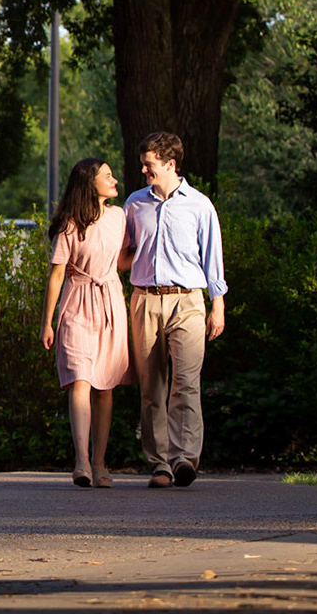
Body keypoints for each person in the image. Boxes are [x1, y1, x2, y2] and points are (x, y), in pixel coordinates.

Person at [122, 130, 227, 489]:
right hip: (145, 299)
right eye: (142, 164)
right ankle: (160, 464)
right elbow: (123, 252)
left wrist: (218, 304)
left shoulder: (199, 205)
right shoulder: (135, 204)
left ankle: (184, 459)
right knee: (151, 386)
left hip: (188, 300)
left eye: (149, 164)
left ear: (170, 163)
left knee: (186, 381)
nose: (143, 170)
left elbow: (212, 257)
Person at [40, 157, 132, 487]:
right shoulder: (70, 224)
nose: (114, 180)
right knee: (80, 379)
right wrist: (47, 322)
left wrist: (153, 247)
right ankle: (81, 461)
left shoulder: (119, 217)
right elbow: (56, 275)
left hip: (109, 302)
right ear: (89, 183)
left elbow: (121, 262)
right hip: (77, 302)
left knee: (105, 386)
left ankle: (100, 463)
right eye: (107, 176)